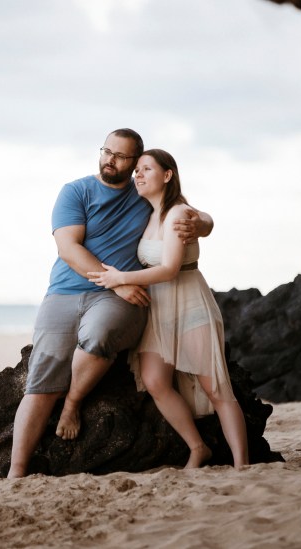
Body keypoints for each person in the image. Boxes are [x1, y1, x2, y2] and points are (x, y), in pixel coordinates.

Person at [7, 130, 213, 479]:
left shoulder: (143, 193)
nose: (110, 160)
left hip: (120, 298)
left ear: (135, 164)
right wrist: (115, 283)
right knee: (43, 373)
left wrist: (204, 223)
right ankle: (16, 470)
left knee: (101, 333)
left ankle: (72, 404)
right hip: (67, 291)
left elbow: (191, 212)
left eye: (120, 156)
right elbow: (68, 249)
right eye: (106, 151)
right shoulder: (76, 191)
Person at [87, 149, 249, 468]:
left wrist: (121, 278)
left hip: (190, 304)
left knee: (215, 387)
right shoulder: (147, 214)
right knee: (155, 381)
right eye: (137, 171)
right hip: (158, 309)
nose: (139, 175)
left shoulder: (178, 213)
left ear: (167, 175)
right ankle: (197, 447)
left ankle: (243, 463)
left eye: (146, 169)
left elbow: (171, 268)